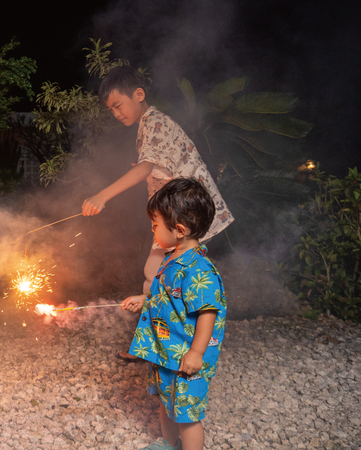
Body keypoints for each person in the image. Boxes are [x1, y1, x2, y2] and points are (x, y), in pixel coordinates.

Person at [82, 65, 233, 362]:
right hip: (175, 216)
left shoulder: (156, 123)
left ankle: (177, 347)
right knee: (157, 274)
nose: (116, 113)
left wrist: (102, 195)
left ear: (138, 94)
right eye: (110, 110)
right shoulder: (148, 125)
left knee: (167, 275)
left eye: (118, 105)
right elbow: (158, 165)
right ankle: (155, 343)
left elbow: (146, 167)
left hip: (187, 217)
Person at [120, 178, 227, 450]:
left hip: (184, 357)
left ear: (179, 229)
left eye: (155, 224)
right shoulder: (172, 257)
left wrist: (196, 353)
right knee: (166, 403)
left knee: (187, 416)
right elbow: (170, 296)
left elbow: (207, 312)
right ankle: (167, 444)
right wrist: (144, 299)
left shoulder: (199, 269)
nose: (152, 228)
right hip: (165, 352)